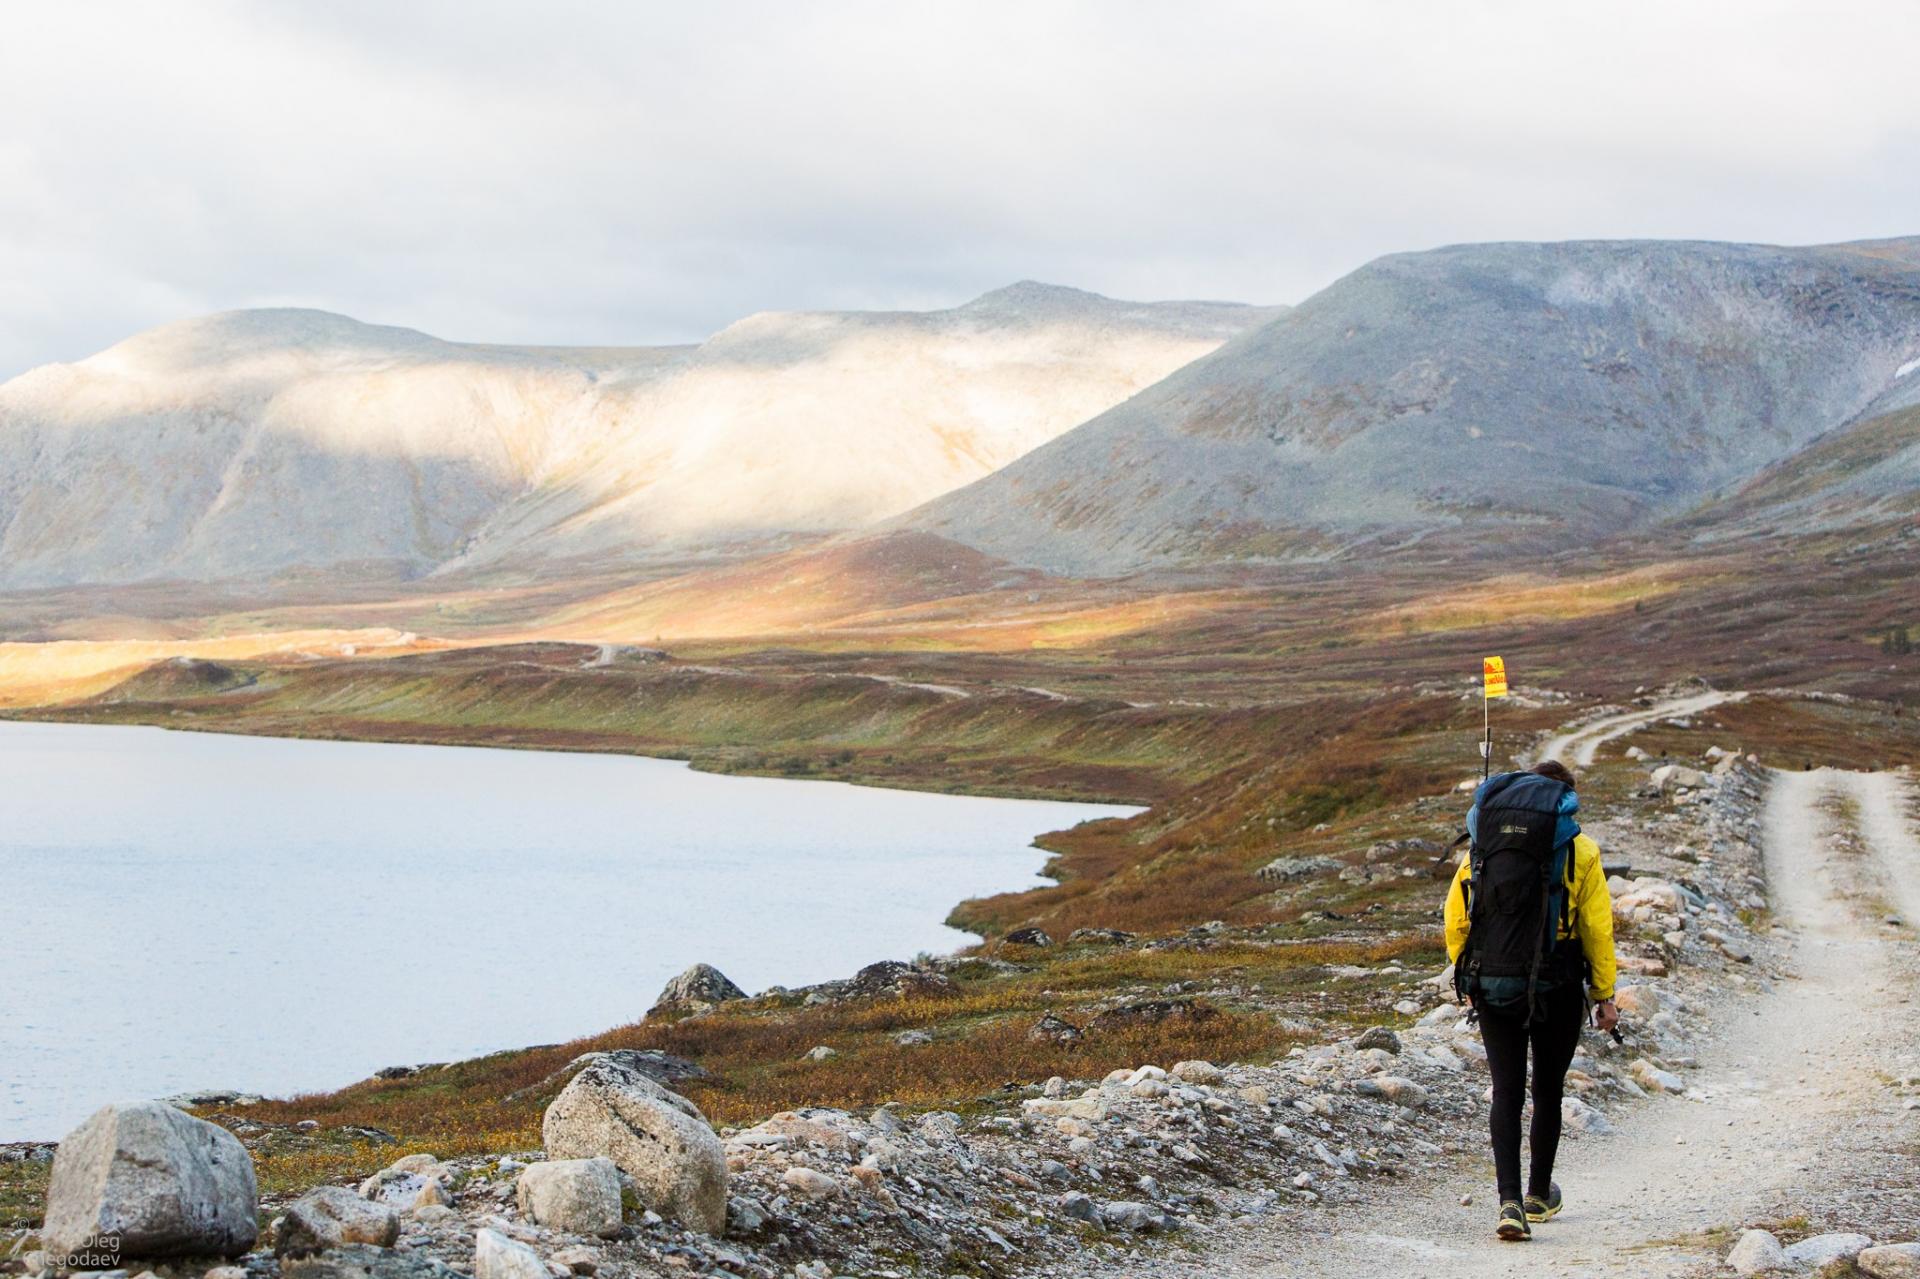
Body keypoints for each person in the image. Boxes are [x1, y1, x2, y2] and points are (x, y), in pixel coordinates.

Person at [1444, 759, 1618, 1241]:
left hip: (1494, 982)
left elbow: (1457, 920)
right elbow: (1597, 930)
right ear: (1564, 800)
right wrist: (1604, 994)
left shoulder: (1482, 845)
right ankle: (1540, 1194)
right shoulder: (1580, 849)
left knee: (1506, 1090)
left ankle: (1509, 1204)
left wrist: (1469, 977)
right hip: (1556, 983)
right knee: (1547, 1089)